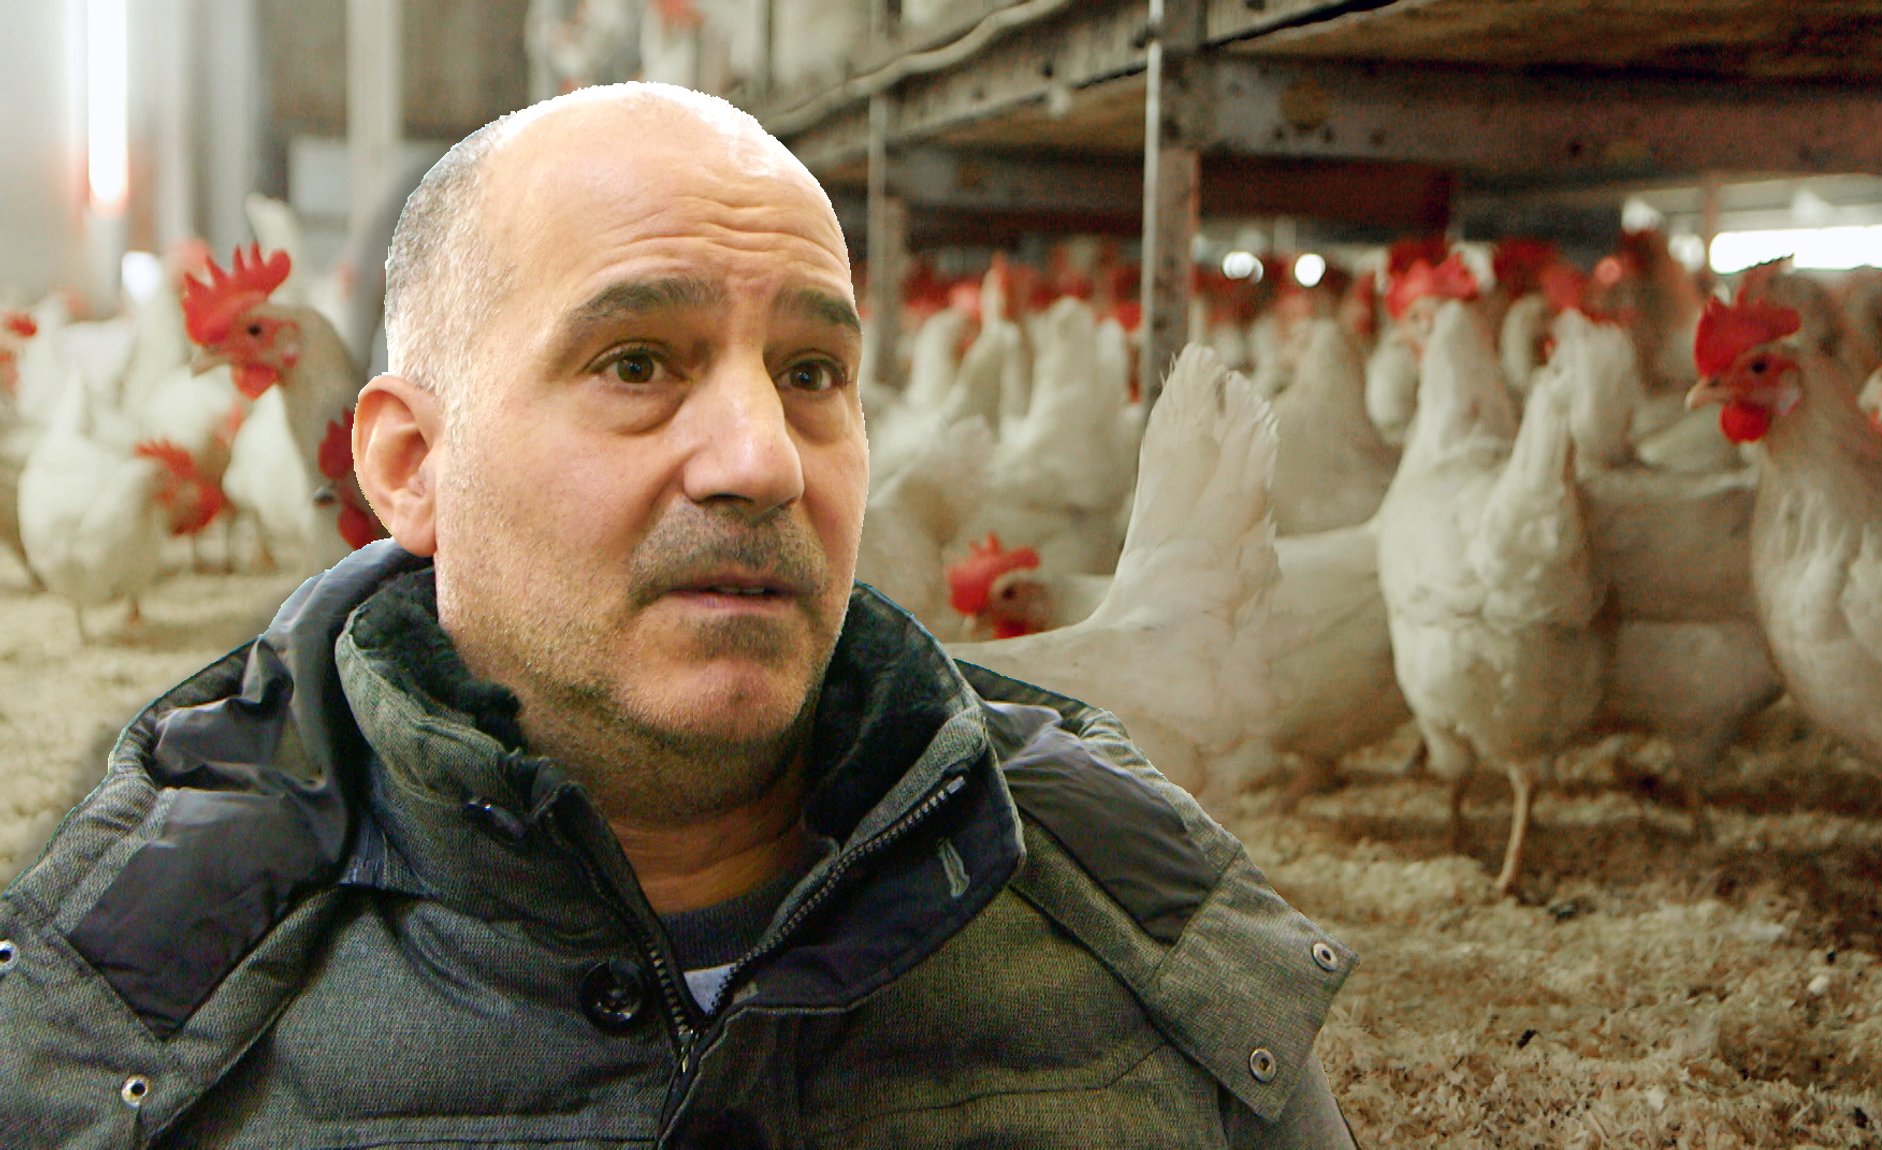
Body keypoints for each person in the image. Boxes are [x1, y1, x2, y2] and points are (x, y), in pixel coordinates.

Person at [0, 83, 1358, 1148]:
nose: (762, 459)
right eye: (638, 361)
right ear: (410, 466)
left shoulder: (1149, 943)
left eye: (811, 372)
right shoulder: (123, 1012)